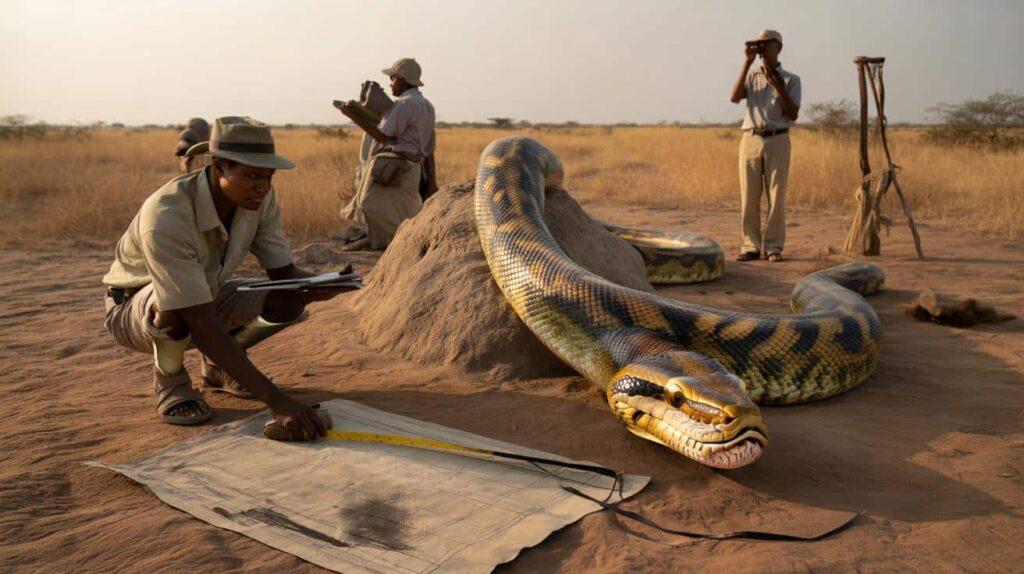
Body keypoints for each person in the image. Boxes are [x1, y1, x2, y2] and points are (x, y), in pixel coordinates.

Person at [102, 116, 337, 440]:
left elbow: (283, 275)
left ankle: (218, 368)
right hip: (135, 309)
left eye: (268, 176)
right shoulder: (167, 216)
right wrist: (277, 401)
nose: (263, 186)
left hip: (206, 295)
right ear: (220, 166)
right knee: (175, 307)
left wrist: (319, 284)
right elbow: (198, 320)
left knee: (289, 300)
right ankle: (170, 382)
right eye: (253, 175)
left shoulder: (260, 198)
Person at [333, 57, 437, 251]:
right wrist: (432, 181)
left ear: (403, 79)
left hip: (395, 164)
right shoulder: (427, 105)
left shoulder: (405, 104)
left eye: (393, 78)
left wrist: (352, 114)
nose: (390, 84)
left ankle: (389, 244)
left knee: (368, 203)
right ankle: (381, 241)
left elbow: (382, 135)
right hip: (413, 167)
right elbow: (430, 148)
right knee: (405, 209)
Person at [730, 29, 801, 263]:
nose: (761, 50)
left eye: (765, 46)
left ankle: (773, 247)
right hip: (750, 138)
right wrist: (746, 62)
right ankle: (750, 246)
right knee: (749, 197)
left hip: (778, 139)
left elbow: (793, 113)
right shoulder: (752, 76)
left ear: (778, 48)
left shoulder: (791, 79)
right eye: (758, 46)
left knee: (776, 196)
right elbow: (734, 97)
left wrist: (777, 85)